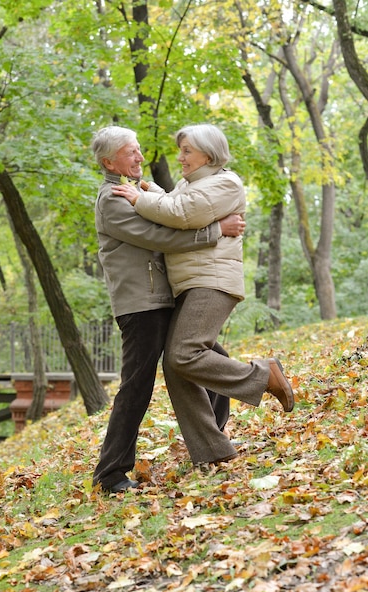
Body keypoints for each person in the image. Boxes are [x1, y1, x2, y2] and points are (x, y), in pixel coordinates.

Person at [111, 123, 294, 467]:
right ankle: (212, 451)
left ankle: (263, 375)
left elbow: (182, 214)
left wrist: (140, 198)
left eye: (186, 152)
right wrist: (152, 191)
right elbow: (177, 203)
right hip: (192, 282)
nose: (180, 157)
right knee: (178, 367)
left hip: (212, 280)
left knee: (183, 355)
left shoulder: (226, 183)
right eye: (180, 150)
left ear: (208, 155)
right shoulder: (190, 183)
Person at [91, 125, 246, 493]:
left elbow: (170, 209)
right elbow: (158, 235)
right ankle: (110, 472)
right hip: (141, 304)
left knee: (203, 355)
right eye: (131, 152)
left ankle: (214, 434)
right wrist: (217, 230)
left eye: (139, 149)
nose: (141, 157)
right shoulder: (113, 198)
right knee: (136, 385)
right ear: (109, 161)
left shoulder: (136, 190)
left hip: (162, 295)